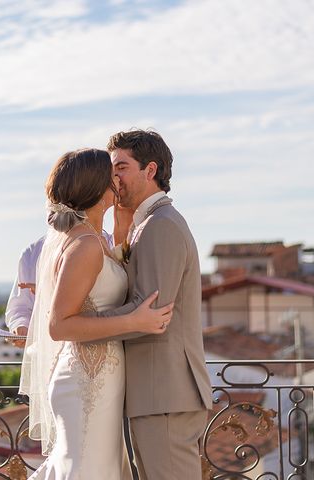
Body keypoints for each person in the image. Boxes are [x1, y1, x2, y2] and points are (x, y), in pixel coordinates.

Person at [19, 148, 173, 479]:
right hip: (88, 378)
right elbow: (59, 325)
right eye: (111, 175)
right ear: (97, 187)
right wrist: (134, 321)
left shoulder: (92, 238)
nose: (118, 180)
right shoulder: (85, 245)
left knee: (92, 467)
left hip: (98, 375)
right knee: (87, 469)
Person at [102, 129, 212, 480]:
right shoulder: (146, 225)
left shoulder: (160, 226)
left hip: (164, 393)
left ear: (150, 170)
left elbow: (148, 314)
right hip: (155, 393)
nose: (113, 176)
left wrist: (79, 324)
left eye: (121, 166)